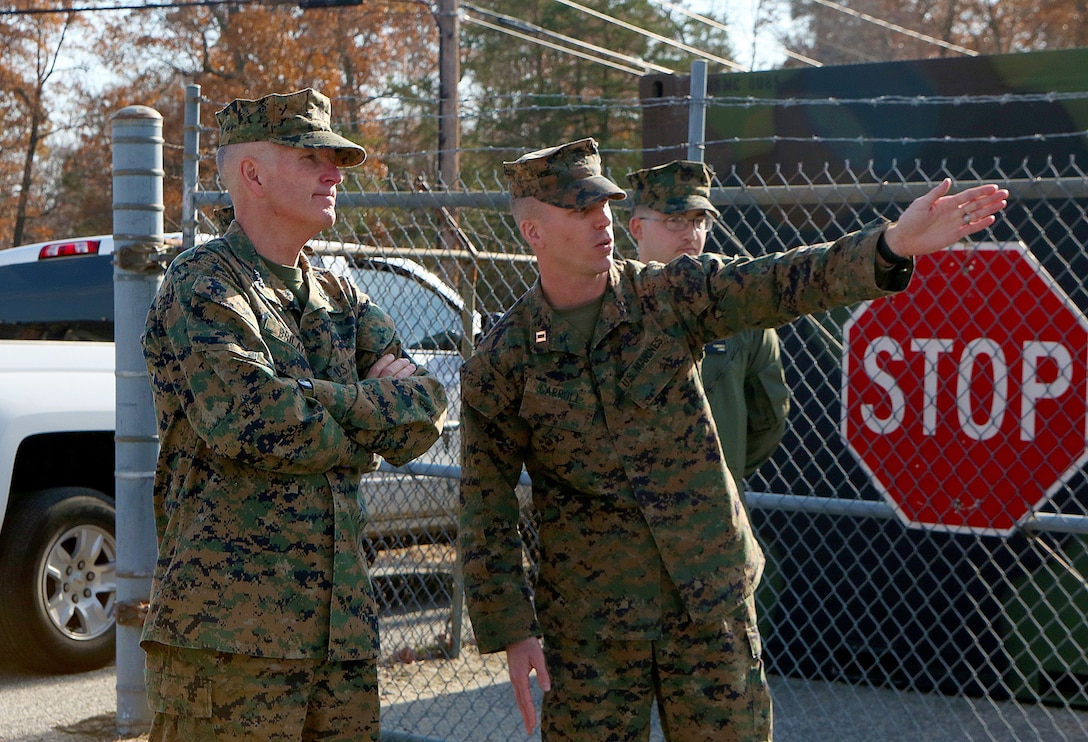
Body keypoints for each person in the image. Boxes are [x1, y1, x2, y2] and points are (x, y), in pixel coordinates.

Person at [458, 136, 1006, 741]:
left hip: (708, 603)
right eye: (581, 209)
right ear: (534, 232)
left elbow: (779, 281)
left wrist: (890, 245)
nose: (602, 220)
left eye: (606, 205)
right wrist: (514, 629)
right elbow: (486, 505)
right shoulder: (503, 360)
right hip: (592, 624)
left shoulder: (666, 297)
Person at [141, 88, 448, 741]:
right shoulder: (204, 283)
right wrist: (368, 415)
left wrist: (310, 394)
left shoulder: (340, 292)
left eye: (334, 159)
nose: (334, 173)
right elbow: (252, 421)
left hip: (341, 640)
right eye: (312, 158)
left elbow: (425, 411)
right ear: (252, 174)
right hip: (228, 643)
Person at [627, 159, 789, 492]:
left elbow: (768, 417)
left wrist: (719, 471)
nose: (691, 233)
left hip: (713, 519)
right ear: (637, 228)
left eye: (699, 221)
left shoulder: (740, 310)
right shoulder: (609, 305)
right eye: (674, 220)